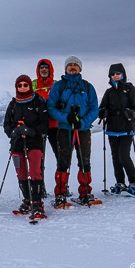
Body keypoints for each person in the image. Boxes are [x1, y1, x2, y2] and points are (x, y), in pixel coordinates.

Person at [47, 56, 100, 208]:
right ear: (65, 68)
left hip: (83, 129)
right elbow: (51, 108)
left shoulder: (87, 87)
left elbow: (94, 108)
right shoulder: (59, 87)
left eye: (75, 65)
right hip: (64, 129)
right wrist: (66, 118)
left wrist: (82, 122)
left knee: (85, 161)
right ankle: (60, 194)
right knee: (63, 161)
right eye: (69, 65)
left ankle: (85, 193)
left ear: (80, 68)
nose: (72, 67)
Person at [3, 75, 48, 219]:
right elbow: (7, 124)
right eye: (20, 85)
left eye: (25, 85)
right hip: (17, 144)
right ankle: (27, 201)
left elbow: (45, 123)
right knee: (21, 173)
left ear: (30, 86)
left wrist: (31, 131)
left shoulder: (38, 101)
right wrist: (14, 132)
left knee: (35, 172)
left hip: (34, 142)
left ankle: (37, 203)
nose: (22, 87)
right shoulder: (13, 103)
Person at [98, 63, 135, 195]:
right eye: (113, 74)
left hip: (126, 127)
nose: (115, 76)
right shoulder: (109, 92)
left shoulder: (130, 89)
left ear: (123, 74)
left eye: (118, 73)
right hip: (112, 128)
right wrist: (103, 113)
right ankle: (120, 182)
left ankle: (133, 182)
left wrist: (132, 113)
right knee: (115, 157)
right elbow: (102, 107)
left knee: (124, 156)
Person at [32, 59, 59, 197]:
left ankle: (61, 187)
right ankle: (40, 188)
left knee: (60, 156)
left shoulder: (56, 85)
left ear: (50, 70)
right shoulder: (33, 84)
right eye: (41, 67)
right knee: (39, 158)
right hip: (39, 126)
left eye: (46, 68)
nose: (43, 70)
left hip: (54, 125)